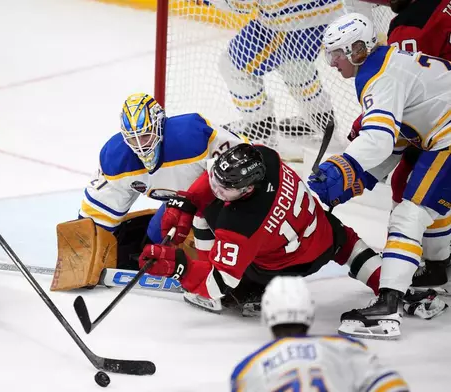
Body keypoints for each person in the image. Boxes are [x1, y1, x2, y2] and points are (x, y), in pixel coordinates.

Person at [309, 12, 450, 338]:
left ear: (357, 49)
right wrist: (357, 180)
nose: (333, 64)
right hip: (441, 134)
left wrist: (342, 166)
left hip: (447, 137)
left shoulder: (378, 76)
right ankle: (440, 271)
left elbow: (379, 140)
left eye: (337, 54)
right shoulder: (386, 65)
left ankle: (387, 308)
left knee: (409, 215)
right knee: (425, 209)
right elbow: (397, 142)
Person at [136, 143, 390, 315]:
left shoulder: (238, 225)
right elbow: (217, 178)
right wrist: (188, 200)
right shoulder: (265, 156)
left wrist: (181, 267)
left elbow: (216, 283)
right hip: (321, 235)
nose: (216, 189)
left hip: (278, 269)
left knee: (205, 213)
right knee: (345, 240)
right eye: (217, 180)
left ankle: (235, 285)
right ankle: (393, 287)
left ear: (248, 189)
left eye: (225, 190)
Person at [347, 0, 451, 289]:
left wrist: (367, 121)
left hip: (440, 120)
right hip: (440, 115)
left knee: (411, 195)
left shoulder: (410, 26)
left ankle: (411, 265)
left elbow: (405, 88)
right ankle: (438, 262)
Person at [79, 92, 248, 260]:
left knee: (208, 238)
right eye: (132, 139)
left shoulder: (192, 135)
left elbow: (245, 161)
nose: (140, 146)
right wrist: (84, 250)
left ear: (160, 125)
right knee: (155, 234)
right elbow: (98, 214)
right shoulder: (116, 159)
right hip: (178, 205)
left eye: (145, 135)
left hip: (220, 200)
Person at [205, 0, 374, 141]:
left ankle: (258, 126)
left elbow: (242, 4)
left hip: (288, 20)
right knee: (295, 64)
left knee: (232, 65)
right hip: (326, 13)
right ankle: (320, 119)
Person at [229, 276, 409, 391]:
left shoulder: (248, 369)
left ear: (267, 315)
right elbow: (392, 386)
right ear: (310, 311)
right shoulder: (344, 348)